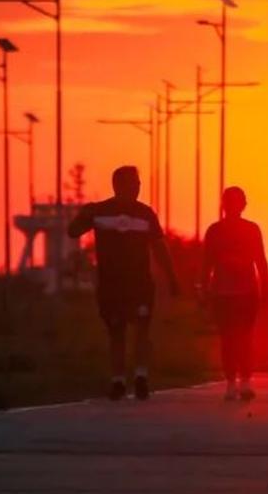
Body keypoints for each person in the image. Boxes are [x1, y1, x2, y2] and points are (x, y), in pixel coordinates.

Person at [68, 166, 179, 401]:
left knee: (141, 330)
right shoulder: (99, 211)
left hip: (140, 284)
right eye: (134, 183)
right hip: (112, 285)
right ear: (119, 185)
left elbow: (159, 247)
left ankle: (140, 377)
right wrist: (84, 215)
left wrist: (172, 277)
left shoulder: (145, 213)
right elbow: (73, 232)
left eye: (139, 183)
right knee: (116, 332)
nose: (138, 187)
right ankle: (118, 381)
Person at [199, 187, 268, 401]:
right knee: (229, 338)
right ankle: (232, 382)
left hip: (246, 291)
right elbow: (206, 263)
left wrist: (265, 287)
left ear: (243, 205)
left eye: (239, 201)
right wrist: (203, 289)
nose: (235, 206)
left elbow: (260, 259)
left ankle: (244, 381)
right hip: (223, 292)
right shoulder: (215, 230)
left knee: (243, 338)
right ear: (225, 204)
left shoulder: (251, 229)